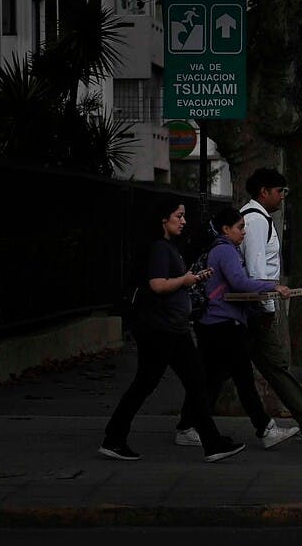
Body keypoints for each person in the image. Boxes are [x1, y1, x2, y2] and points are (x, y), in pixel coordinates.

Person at [179, 168, 302, 445]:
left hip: (235, 315)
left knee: (224, 372)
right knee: (254, 369)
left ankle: (195, 424)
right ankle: (282, 424)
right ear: (264, 191)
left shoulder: (253, 222)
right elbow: (252, 273)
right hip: (242, 313)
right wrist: (267, 304)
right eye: (279, 191)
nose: (282, 197)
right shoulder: (253, 222)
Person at [100, 198, 244, 463]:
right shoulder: (158, 248)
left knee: (196, 382)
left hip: (173, 329)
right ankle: (113, 438)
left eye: (184, 216)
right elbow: (157, 285)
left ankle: (212, 443)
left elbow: (172, 282)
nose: (184, 220)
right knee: (146, 383)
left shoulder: (169, 247)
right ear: (163, 220)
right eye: (179, 215)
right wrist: (185, 280)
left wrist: (192, 279)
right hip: (160, 330)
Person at [179, 206, 298, 449]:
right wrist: (272, 287)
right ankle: (264, 429)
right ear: (226, 229)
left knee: (211, 379)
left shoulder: (221, 249)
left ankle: (188, 425)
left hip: (214, 323)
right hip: (224, 324)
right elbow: (240, 282)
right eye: (240, 227)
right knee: (242, 379)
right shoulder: (225, 250)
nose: (244, 232)